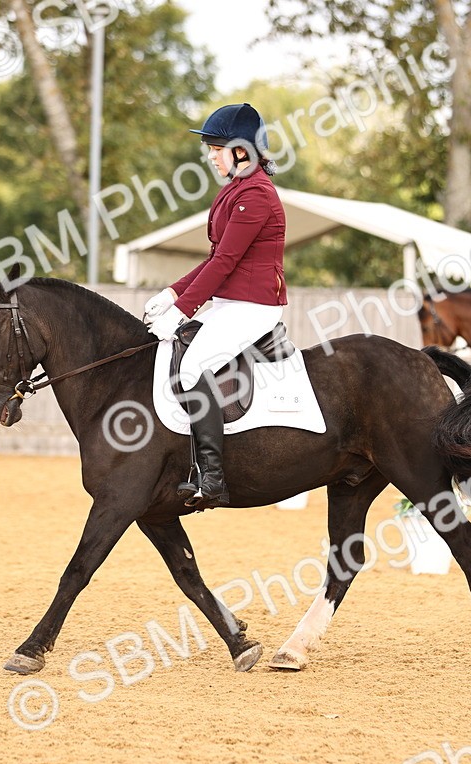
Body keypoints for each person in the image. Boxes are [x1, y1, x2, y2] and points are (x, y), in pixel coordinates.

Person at [143, 103, 287, 509]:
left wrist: (183, 311)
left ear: (241, 150)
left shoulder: (256, 196)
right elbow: (215, 257)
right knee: (174, 353)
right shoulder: (234, 191)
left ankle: (211, 479)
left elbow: (225, 263)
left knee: (192, 367)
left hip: (255, 305)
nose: (210, 155)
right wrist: (171, 294)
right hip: (229, 301)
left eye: (216, 147)